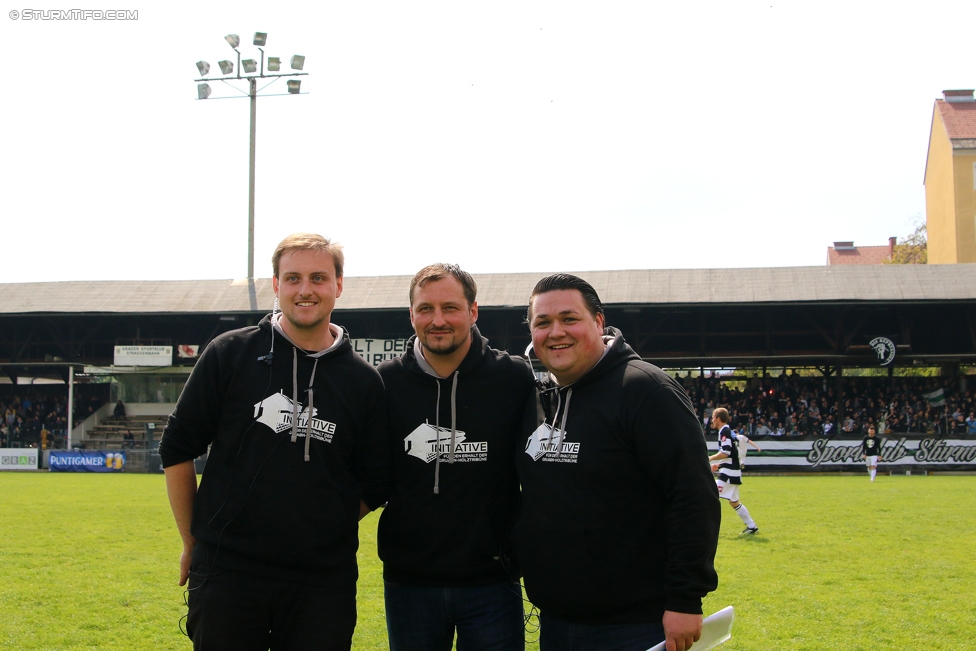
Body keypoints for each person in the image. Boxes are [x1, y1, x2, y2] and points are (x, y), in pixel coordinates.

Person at [158, 233, 392, 651]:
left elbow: (375, 481)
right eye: (293, 278)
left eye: (319, 278)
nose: (305, 290)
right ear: (275, 284)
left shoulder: (363, 381)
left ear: (338, 285)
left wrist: (322, 525)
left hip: (322, 582)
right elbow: (177, 448)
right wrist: (194, 543)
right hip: (228, 573)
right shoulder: (230, 353)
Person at [515, 273, 720, 651]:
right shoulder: (541, 399)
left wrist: (685, 600)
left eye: (569, 318)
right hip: (558, 620)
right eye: (542, 322)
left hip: (636, 625)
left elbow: (692, 497)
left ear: (598, 322)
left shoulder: (646, 389)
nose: (555, 331)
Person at [377, 263, 537, 651]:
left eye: (450, 308)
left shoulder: (514, 377)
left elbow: (537, 473)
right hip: (409, 580)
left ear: (473, 312)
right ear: (411, 314)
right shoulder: (383, 382)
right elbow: (366, 472)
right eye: (425, 309)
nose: (438, 320)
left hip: (492, 580)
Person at [709, 408, 759, 535]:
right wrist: (719, 465)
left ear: (718, 419)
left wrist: (710, 458)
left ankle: (703, 529)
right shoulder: (728, 431)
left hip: (730, 474)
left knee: (708, 493)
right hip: (732, 472)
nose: (712, 420)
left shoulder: (724, 431)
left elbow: (726, 452)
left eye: (713, 417)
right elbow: (732, 455)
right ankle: (752, 526)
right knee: (734, 502)